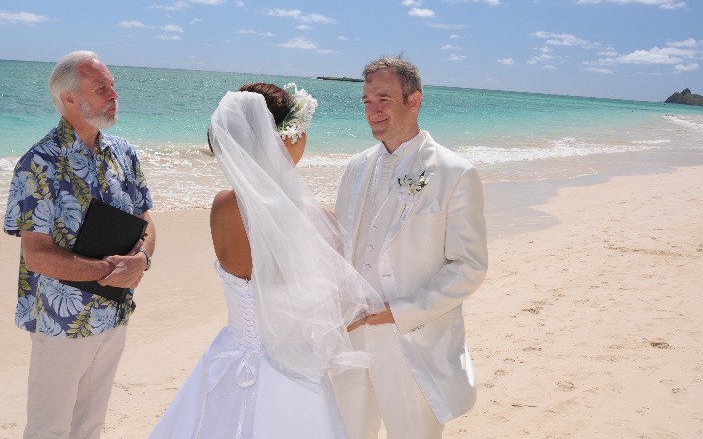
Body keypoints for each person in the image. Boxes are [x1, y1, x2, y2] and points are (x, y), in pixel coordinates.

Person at [149, 82, 383, 439]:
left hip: (229, 355)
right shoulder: (317, 221)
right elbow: (331, 311)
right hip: (290, 372)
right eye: (302, 132)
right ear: (285, 140)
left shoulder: (223, 205)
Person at [333, 56, 488, 439]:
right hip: (352, 337)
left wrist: (398, 312)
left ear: (413, 101)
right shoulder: (355, 167)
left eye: (384, 99)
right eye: (367, 101)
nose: (373, 111)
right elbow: (342, 247)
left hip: (413, 340)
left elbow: (469, 267)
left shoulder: (455, 173)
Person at [3, 51, 155, 439]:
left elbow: (146, 222)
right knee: (48, 428)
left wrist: (142, 260)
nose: (113, 94)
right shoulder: (39, 162)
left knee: (90, 424)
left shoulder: (124, 153)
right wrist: (110, 271)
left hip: (115, 312)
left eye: (112, 86)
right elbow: (36, 254)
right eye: (100, 87)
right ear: (69, 98)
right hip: (60, 320)